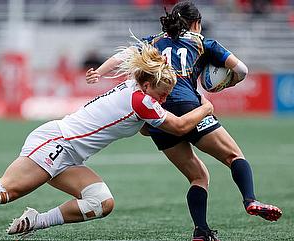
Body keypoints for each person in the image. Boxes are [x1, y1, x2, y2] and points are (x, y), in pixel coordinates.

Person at [0, 41, 214, 241]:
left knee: (101, 202)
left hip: (70, 152)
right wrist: (206, 105)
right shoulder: (142, 101)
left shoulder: (135, 89)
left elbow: (141, 123)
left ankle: (36, 221)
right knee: (6, 190)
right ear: (148, 84)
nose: (164, 100)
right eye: (162, 93)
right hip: (57, 142)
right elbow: (177, 126)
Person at [85, 1, 282, 241]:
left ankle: (201, 231)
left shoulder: (153, 41)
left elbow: (123, 56)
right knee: (234, 156)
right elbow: (242, 69)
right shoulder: (203, 42)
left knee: (198, 176)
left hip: (157, 112)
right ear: (196, 23)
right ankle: (250, 200)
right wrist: (229, 82)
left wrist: (99, 72)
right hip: (189, 107)